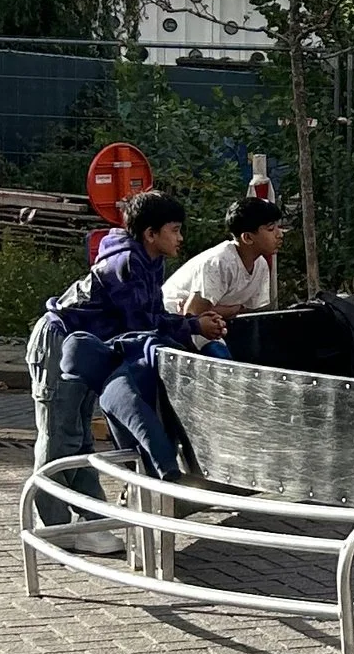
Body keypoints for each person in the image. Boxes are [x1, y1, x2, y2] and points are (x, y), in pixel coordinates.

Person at [30, 189, 218, 543]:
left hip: (92, 349)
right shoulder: (126, 264)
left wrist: (190, 325)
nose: (180, 238)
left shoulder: (150, 261)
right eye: (174, 230)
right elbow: (141, 324)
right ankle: (52, 525)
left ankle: (90, 522)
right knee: (60, 438)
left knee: (81, 437)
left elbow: (154, 315)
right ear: (150, 233)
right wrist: (194, 326)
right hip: (61, 344)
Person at [167, 190, 287, 327]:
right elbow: (191, 313)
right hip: (174, 324)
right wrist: (232, 309)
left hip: (213, 325)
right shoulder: (219, 263)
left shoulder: (261, 265)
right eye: (271, 229)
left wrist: (227, 310)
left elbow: (247, 310)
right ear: (247, 238)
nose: (280, 234)